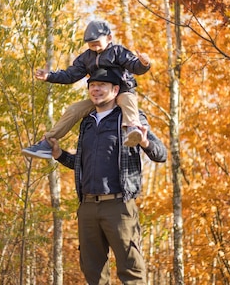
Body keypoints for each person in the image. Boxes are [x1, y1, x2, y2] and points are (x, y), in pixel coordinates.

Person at [49, 68, 167, 284]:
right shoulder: (87, 122)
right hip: (87, 207)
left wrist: (144, 141)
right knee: (93, 273)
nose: (96, 89)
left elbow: (161, 154)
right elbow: (83, 165)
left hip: (119, 206)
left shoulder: (130, 118)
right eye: (92, 85)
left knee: (132, 271)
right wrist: (59, 155)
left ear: (115, 90)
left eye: (101, 85)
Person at [22, 20, 151, 159]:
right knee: (74, 109)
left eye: (97, 42)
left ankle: (133, 129)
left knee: (128, 100)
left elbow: (133, 65)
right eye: (91, 44)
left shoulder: (117, 52)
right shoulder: (86, 58)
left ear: (109, 38)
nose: (94, 47)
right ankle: (47, 143)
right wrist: (49, 76)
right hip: (102, 97)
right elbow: (70, 75)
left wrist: (143, 64)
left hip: (122, 90)